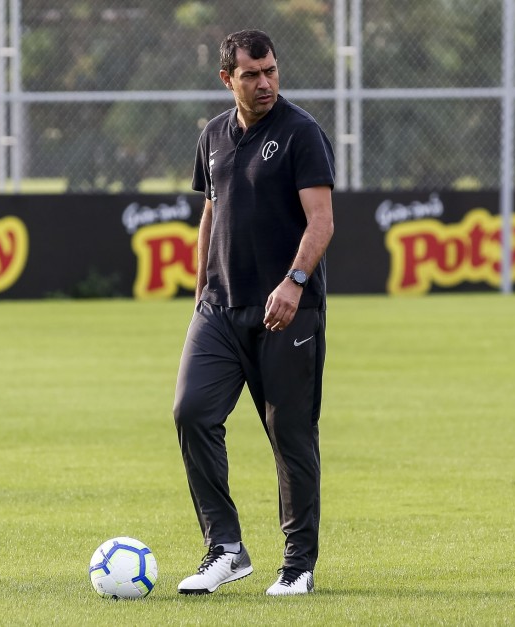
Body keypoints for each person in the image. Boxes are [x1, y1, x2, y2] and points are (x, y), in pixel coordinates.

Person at [173, 28, 334, 597]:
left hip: (288, 310)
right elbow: (211, 214)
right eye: (250, 74)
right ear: (227, 78)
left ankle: (297, 565)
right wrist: (200, 291)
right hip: (219, 307)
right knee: (191, 412)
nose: (264, 83)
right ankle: (226, 548)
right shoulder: (213, 135)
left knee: (289, 432)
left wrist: (293, 283)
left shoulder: (301, 133)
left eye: (270, 70)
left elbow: (321, 221)